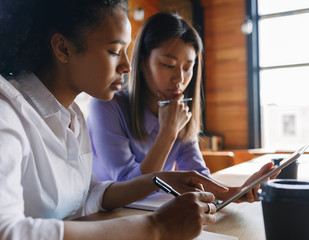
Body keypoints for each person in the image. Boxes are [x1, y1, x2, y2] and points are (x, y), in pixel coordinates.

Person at [0, 0, 276, 239]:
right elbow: (7, 232)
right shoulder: (7, 114)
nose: (126, 66)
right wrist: (155, 227)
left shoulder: (71, 115)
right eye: (113, 51)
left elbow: (86, 195)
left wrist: (159, 179)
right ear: (63, 48)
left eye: (126, 51)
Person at [86, 12, 211, 182]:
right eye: (169, 65)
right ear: (143, 62)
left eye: (188, 68)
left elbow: (198, 176)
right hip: (114, 209)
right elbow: (127, 184)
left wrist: (236, 191)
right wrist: (168, 133)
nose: (180, 79)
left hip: (158, 207)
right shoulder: (106, 106)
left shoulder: (179, 113)